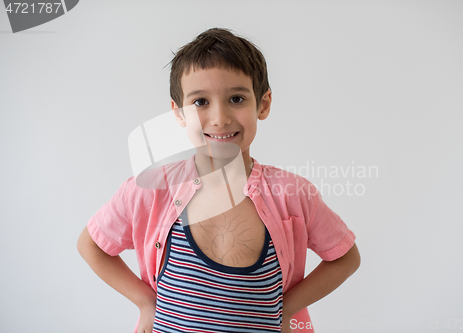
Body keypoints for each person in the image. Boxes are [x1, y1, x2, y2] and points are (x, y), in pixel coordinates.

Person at [77, 27, 360, 333]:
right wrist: (146, 302)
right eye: (200, 102)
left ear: (262, 104)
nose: (220, 118)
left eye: (236, 98)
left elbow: (345, 258)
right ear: (179, 113)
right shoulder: (150, 189)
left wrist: (287, 307)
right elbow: (91, 245)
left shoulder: (293, 194)